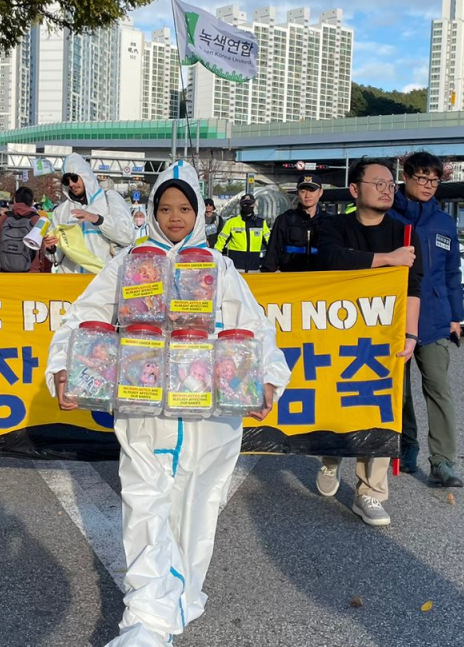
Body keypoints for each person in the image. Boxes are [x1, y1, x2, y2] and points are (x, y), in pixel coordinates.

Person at [47, 162, 290, 647]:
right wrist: (63, 367)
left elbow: (257, 326)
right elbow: (83, 316)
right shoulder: (129, 263)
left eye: (184, 208)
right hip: (143, 408)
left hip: (210, 412)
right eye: (165, 207)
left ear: (198, 211)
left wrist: (267, 378)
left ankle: (177, 599)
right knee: (143, 502)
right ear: (153, 211)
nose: (175, 217)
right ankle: (145, 618)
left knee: (197, 507)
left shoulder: (219, 267)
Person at [312, 156, 423, 527]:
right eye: (378, 183)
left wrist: (410, 335)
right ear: (355, 189)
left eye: (391, 184)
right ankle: (331, 457)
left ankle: (370, 492)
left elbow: (413, 288)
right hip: (336, 332)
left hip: (381, 337)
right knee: (338, 399)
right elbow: (331, 260)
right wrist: (387, 260)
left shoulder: (405, 234)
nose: (387, 189)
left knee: (377, 405)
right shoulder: (333, 226)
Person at [387, 151, 464, 488]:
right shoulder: (387, 215)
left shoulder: (445, 223)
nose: (428, 186)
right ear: (405, 176)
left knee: (438, 388)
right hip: (394, 316)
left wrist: (456, 317)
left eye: (434, 180)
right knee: (398, 389)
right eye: (422, 178)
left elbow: (452, 272)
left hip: (433, 318)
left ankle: (443, 461)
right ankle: (406, 446)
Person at [49, 154, 135, 274]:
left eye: (74, 178)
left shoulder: (109, 199)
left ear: (85, 175)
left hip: (102, 280)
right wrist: (51, 248)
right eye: (66, 181)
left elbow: (127, 236)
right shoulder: (61, 211)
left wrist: (98, 220)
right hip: (71, 282)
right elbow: (56, 258)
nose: (71, 184)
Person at [262, 174, 327, 272]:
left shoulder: (329, 222)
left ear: (320, 192)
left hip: (320, 281)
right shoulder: (284, 220)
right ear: (297, 193)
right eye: (303, 191)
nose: (307, 195)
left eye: (311, 190)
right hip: (291, 280)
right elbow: (272, 254)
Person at [0, 186, 55, 273]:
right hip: (32, 274)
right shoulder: (39, 222)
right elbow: (47, 254)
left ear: (14, 200)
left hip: (6, 274)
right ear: (32, 202)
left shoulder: (3, 219)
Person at [214, 194, 269, 272]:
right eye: (245, 204)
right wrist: (216, 258)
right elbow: (221, 241)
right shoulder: (232, 222)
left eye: (250, 204)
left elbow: (269, 243)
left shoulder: (261, 223)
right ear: (241, 205)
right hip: (235, 267)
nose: (247, 206)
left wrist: (272, 260)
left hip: (254, 266)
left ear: (254, 205)